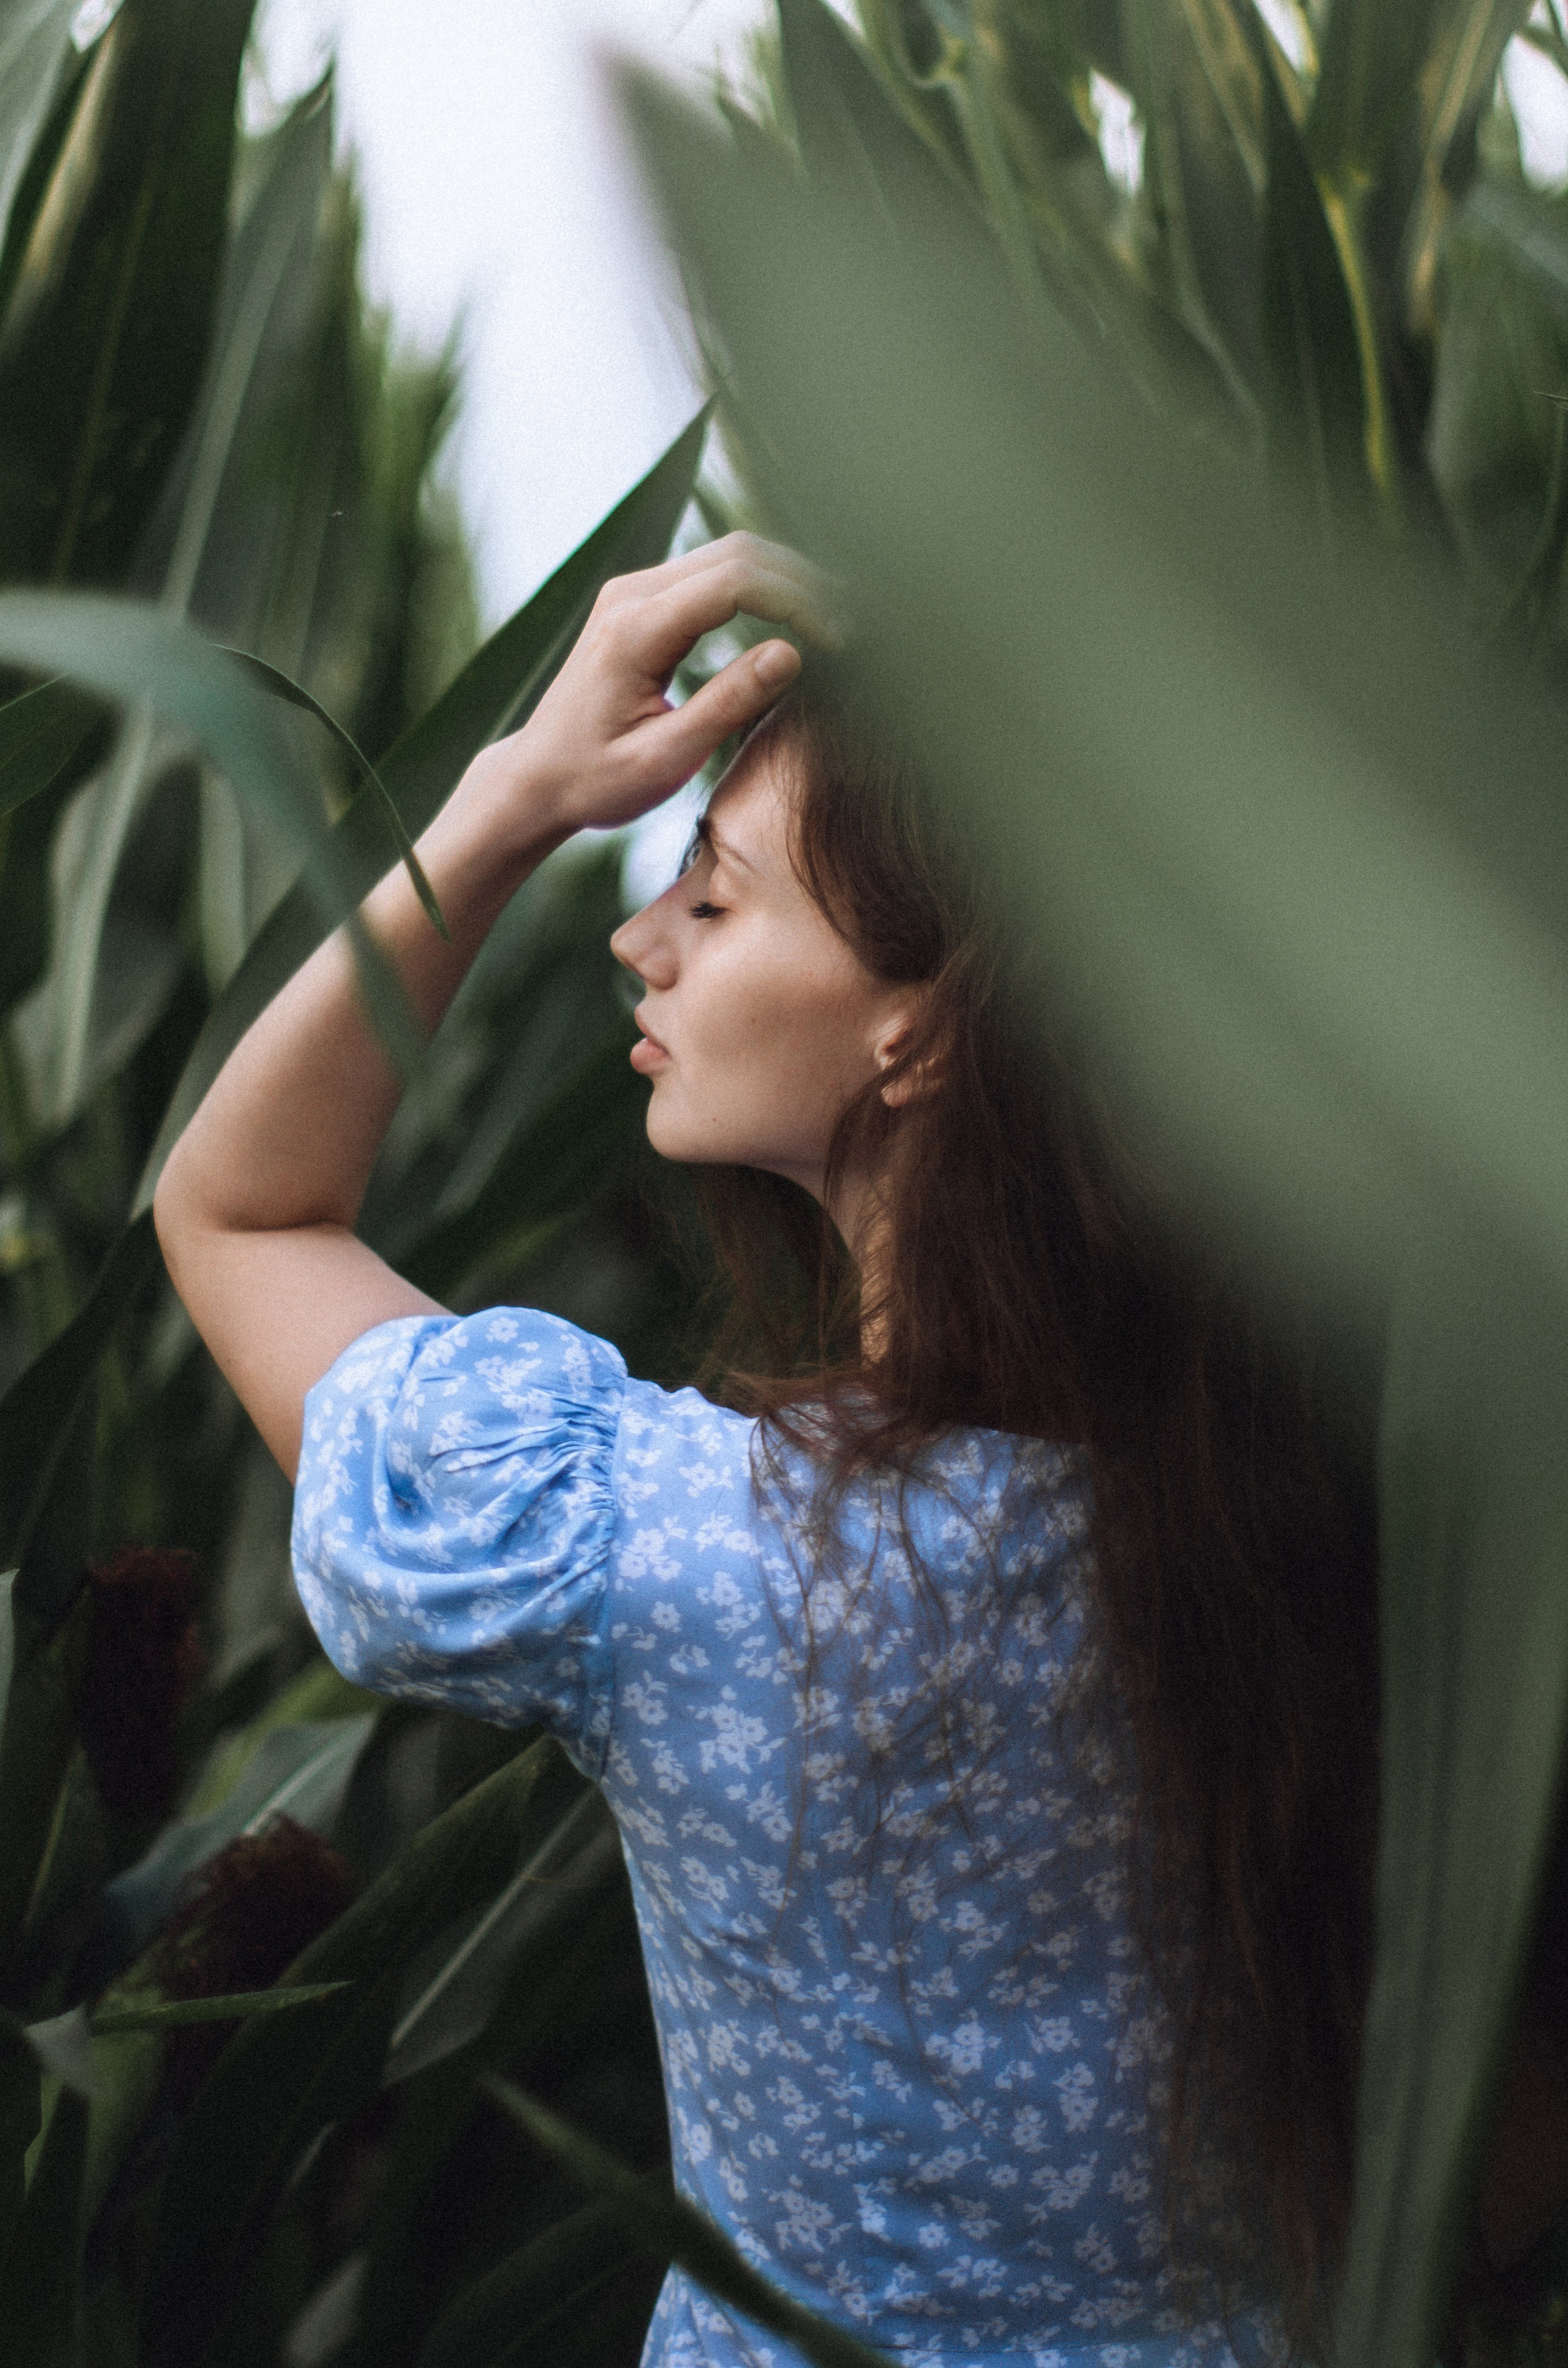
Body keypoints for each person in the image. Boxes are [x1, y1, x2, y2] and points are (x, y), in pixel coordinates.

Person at [152, 533, 1548, 2367]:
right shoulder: (1380, 1511)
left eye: (715, 899)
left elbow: (241, 1209)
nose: (639, 934)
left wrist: (509, 802)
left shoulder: (665, 1557)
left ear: (924, 1025)